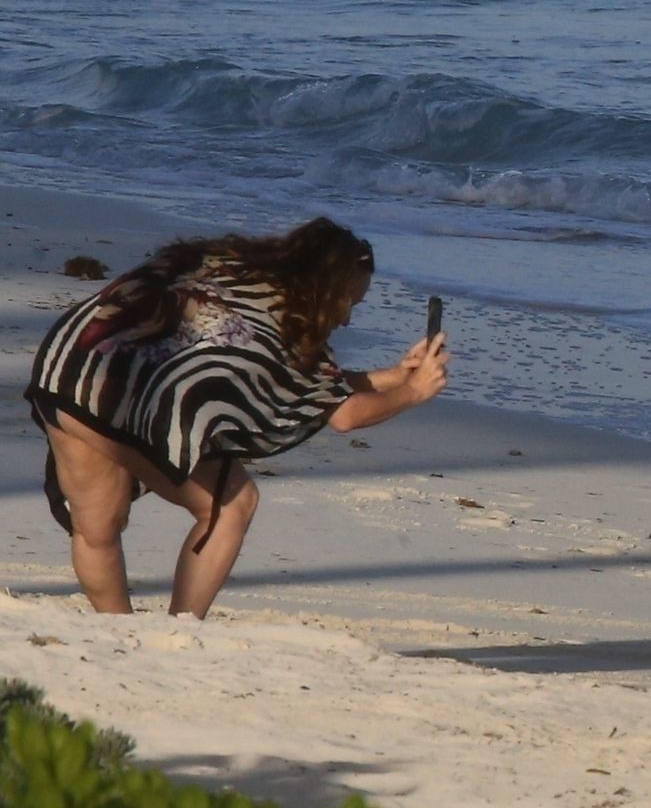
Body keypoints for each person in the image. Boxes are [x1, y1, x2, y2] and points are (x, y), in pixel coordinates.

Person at [23, 217, 449, 618]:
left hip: (69, 368)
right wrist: (413, 392)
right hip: (125, 393)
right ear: (325, 287)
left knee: (97, 529)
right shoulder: (287, 320)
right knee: (230, 506)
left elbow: (308, 382)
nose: (347, 316)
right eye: (347, 300)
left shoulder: (231, 266)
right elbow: (344, 415)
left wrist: (394, 377)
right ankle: (179, 631)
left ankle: (121, 638)